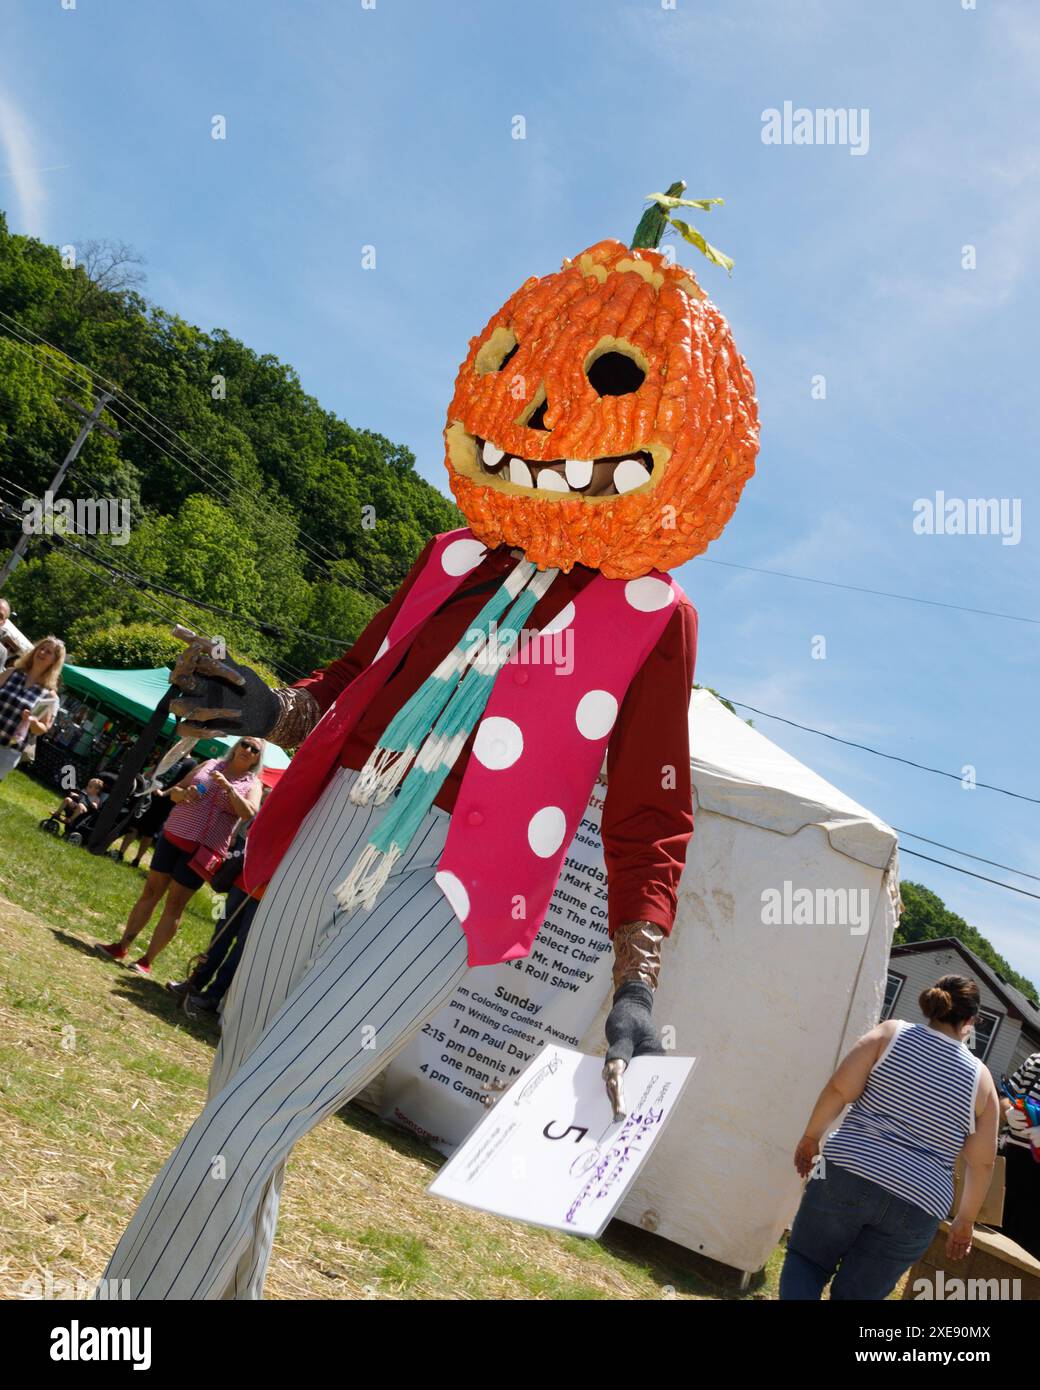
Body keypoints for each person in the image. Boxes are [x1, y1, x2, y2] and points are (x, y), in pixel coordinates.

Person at [97, 200, 760, 1300]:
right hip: (338, 821)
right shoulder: (452, 551)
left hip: (460, 877)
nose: (548, 411)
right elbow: (349, 691)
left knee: (264, 1106)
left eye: (599, 384)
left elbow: (650, 811)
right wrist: (268, 708)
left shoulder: (653, 616)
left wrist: (636, 984)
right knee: (238, 1101)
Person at [779, 975, 999, 1300]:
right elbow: (981, 1163)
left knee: (807, 1261)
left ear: (933, 1005)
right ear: (969, 1021)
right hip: (920, 1201)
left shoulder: (890, 1034)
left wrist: (811, 1137)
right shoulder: (981, 1081)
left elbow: (840, 1089)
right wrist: (964, 1221)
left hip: (848, 1169)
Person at [94, 739, 263, 976]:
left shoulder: (252, 783)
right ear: (236, 747)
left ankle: (146, 960)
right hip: (175, 835)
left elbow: (248, 812)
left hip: (203, 850)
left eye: (254, 750)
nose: (247, 750)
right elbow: (174, 793)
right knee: (151, 892)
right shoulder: (210, 764)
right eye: (245, 744)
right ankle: (121, 946)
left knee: (174, 904)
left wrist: (229, 788)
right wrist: (185, 794)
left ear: (257, 758)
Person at [109, 754, 199, 868]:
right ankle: (120, 853)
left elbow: (182, 783)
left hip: (165, 802)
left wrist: (164, 792)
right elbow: (155, 769)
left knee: (149, 832)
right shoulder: (171, 753)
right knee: (135, 824)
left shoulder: (191, 763)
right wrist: (144, 779)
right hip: (149, 794)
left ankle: (137, 860)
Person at [0, 635, 64, 781]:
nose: (42, 653)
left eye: (48, 652)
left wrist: (33, 722)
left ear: (55, 661)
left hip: (8, 749)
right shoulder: (12, 673)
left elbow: (40, 729)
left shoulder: (48, 695)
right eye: (41, 648)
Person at [998, 1049, 1040, 1259]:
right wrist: (1008, 1111)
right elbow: (1004, 1097)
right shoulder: (1035, 1062)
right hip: (1007, 1167)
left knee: (1027, 1258)